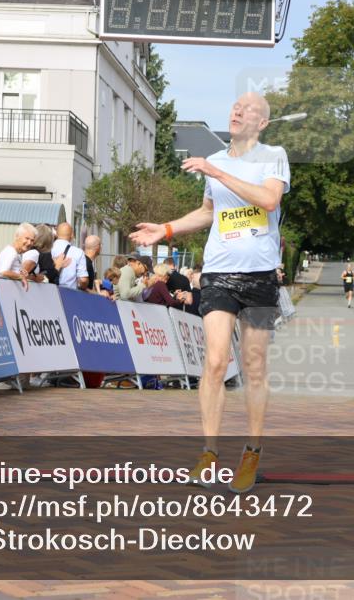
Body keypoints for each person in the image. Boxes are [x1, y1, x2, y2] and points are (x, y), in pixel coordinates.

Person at [130, 91, 290, 494]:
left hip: (258, 276)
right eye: (235, 105)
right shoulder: (214, 163)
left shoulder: (273, 156)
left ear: (262, 123)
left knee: (253, 365)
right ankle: (209, 452)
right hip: (218, 272)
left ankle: (251, 451)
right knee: (216, 361)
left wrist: (219, 174)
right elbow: (207, 212)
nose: (238, 110)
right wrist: (164, 229)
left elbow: (269, 200)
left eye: (249, 109)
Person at [0, 222, 39, 288]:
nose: (29, 243)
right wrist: (21, 276)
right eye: (27, 238)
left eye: (32, 240)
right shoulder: (11, 252)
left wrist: (21, 272)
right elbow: (2, 272)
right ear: (17, 237)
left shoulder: (17, 253)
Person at [52, 222, 89, 290]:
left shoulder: (48, 249)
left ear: (56, 234)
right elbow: (83, 280)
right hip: (69, 294)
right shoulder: (78, 252)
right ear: (72, 235)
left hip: (49, 291)